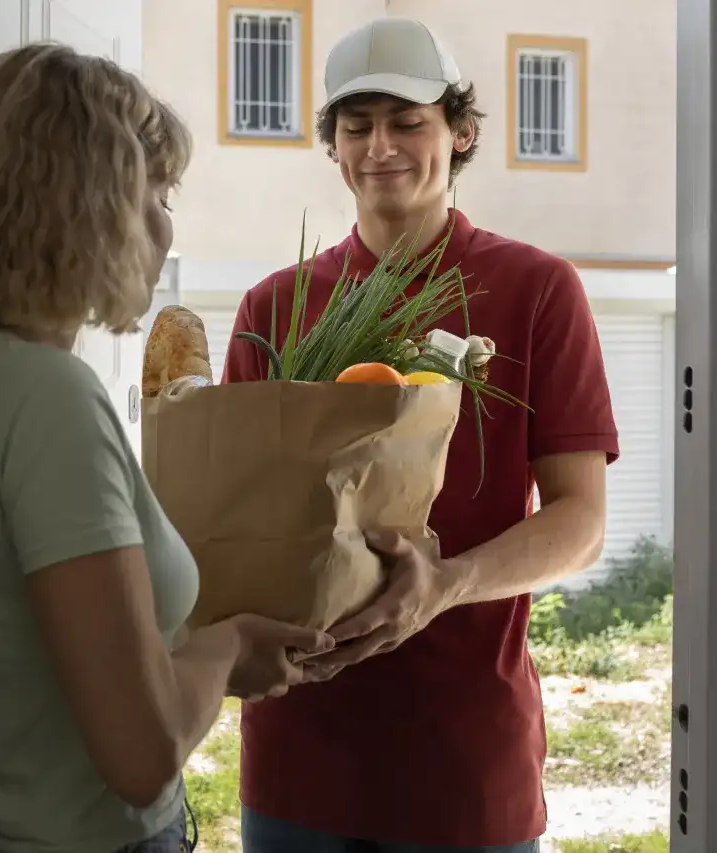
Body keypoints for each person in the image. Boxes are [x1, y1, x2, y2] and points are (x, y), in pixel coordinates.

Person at [0, 44, 333, 853]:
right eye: (157, 192)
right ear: (91, 206)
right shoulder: (48, 401)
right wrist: (226, 651)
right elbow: (142, 756)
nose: (165, 223)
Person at [221, 17, 620, 853]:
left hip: (466, 764)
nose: (382, 147)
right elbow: (234, 517)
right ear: (332, 146)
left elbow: (580, 521)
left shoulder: (537, 289)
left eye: (409, 121)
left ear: (461, 132)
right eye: (357, 125)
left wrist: (445, 582)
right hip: (299, 761)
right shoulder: (272, 308)